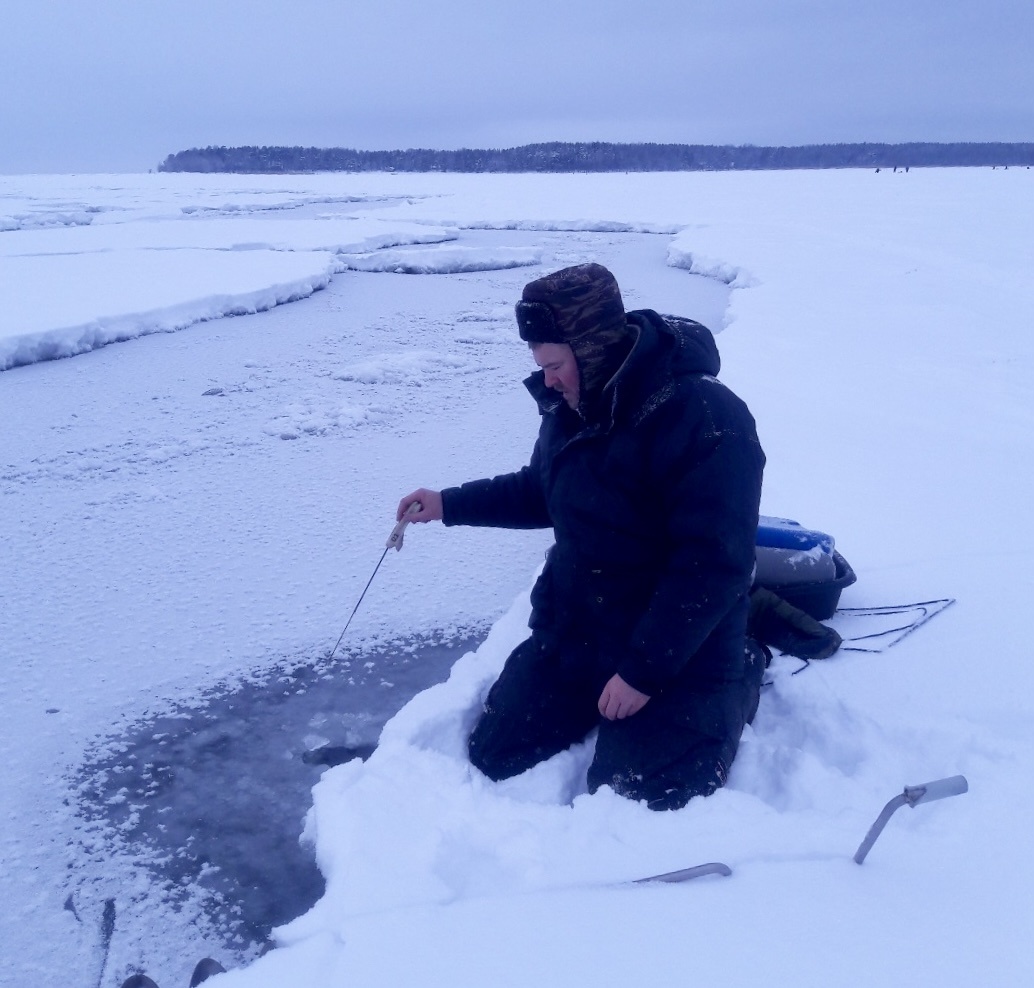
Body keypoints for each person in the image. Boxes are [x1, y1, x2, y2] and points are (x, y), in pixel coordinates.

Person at [398, 263, 765, 810]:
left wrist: (642, 672)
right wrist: (448, 504)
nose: (547, 378)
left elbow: (712, 565)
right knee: (497, 752)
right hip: (583, 627)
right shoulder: (574, 405)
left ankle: (741, 666)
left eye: (554, 364)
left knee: (638, 796)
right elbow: (545, 490)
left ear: (592, 350)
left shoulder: (707, 418)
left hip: (677, 645)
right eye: (541, 365)